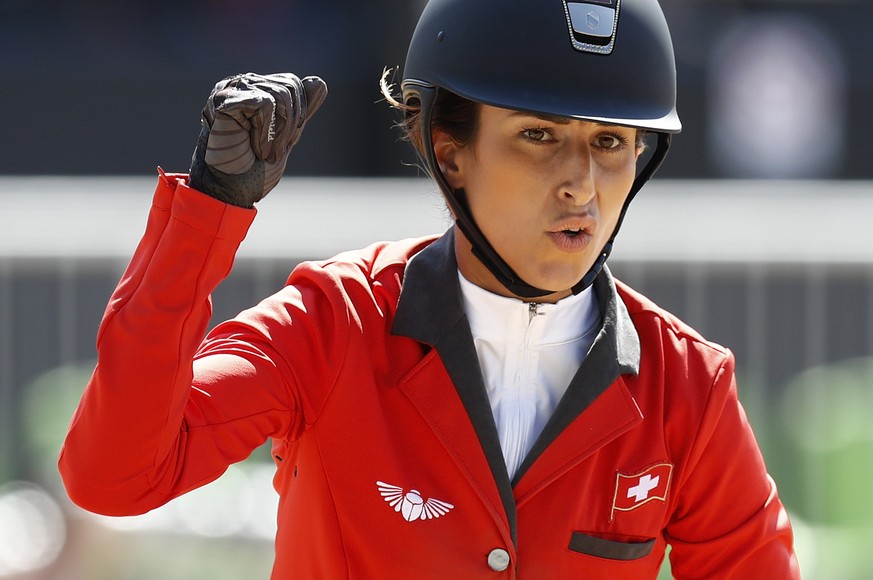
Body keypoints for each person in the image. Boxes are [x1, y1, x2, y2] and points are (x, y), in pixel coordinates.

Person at [59, 0, 800, 577]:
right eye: (538, 136)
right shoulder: (331, 321)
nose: (582, 183)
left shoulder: (689, 386)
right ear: (450, 152)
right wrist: (208, 211)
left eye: (609, 142)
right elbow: (113, 478)